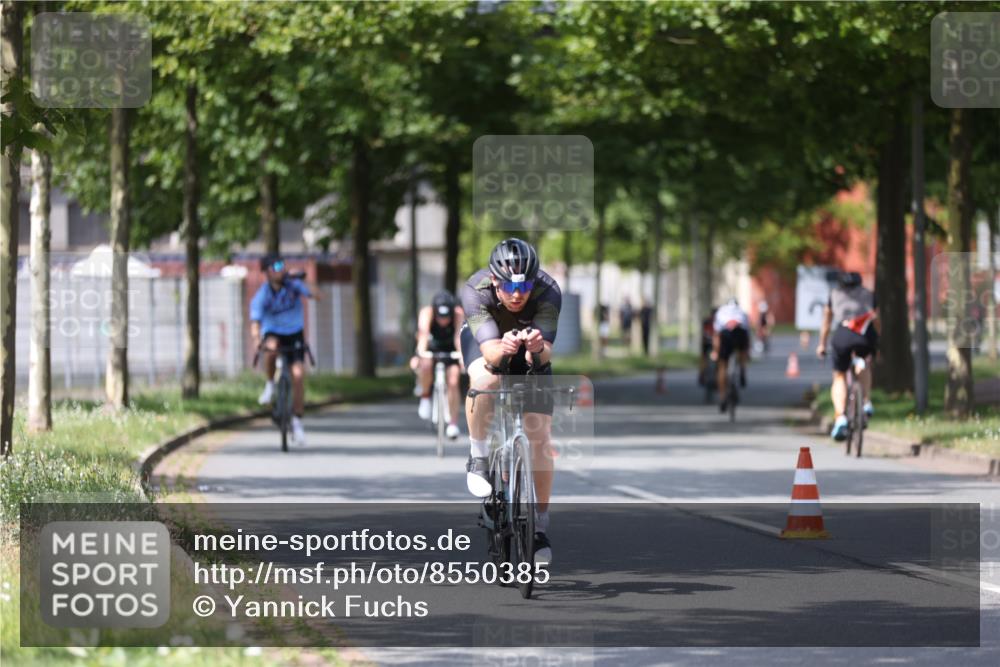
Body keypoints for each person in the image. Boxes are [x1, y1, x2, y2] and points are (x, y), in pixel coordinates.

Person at [460, 238, 561, 565]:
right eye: (508, 286)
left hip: (529, 349)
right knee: (486, 379)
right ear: (494, 280)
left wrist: (535, 346)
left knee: (541, 440)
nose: (517, 294)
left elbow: (545, 353)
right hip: (488, 344)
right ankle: (479, 456)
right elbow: (489, 352)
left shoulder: (548, 291)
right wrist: (502, 347)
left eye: (525, 286)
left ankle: (540, 528)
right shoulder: (476, 290)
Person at [250, 255, 321, 446]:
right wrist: (257, 340)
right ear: (266, 272)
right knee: (271, 348)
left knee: (298, 374)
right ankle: (270, 385)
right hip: (274, 332)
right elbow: (255, 322)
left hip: (294, 333)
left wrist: (304, 279)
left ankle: (297, 421)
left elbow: (318, 295)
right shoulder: (263, 294)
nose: (280, 269)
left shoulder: (293, 285)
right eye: (276, 266)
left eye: (282, 265)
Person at [816, 271, 879, 441]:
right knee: (864, 363)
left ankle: (841, 417)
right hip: (865, 335)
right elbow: (877, 319)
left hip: (843, 335)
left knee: (839, 375)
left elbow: (826, 323)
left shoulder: (834, 295)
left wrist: (822, 344)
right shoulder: (869, 295)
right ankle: (865, 402)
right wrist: (877, 341)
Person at [413, 290, 465, 439]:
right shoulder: (426, 313)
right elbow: (423, 336)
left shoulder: (458, 314)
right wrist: (419, 355)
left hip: (450, 349)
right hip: (431, 347)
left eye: (447, 317)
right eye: (440, 317)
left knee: (454, 380)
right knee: (425, 365)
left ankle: (453, 423)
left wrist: (461, 357)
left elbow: (458, 338)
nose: (443, 321)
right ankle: (425, 396)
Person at [711, 298, 750, 411]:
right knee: (742, 350)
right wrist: (747, 351)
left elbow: (716, 334)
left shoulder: (721, 312)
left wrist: (715, 351)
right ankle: (742, 369)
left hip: (726, 334)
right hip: (739, 333)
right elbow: (747, 333)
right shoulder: (742, 312)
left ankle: (722, 397)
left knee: (722, 366)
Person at [698, 308, 717, 386]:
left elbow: (704, 333)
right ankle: (703, 374)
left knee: (704, 358)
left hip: (707, 343)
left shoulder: (706, 321)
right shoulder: (719, 321)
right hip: (712, 344)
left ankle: (701, 374)